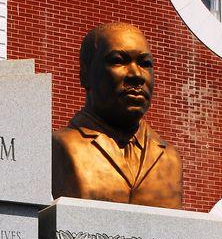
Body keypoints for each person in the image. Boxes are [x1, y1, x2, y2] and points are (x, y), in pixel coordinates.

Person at [52, 22, 183, 209]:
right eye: (118, 60)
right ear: (85, 73)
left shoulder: (169, 157)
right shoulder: (60, 147)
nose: (137, 75)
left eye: (145, 63)